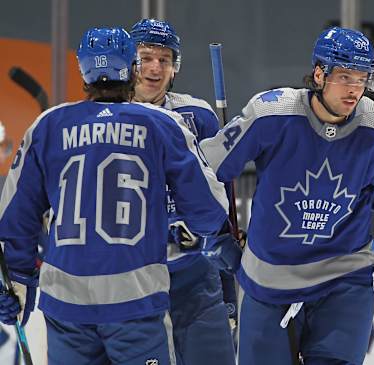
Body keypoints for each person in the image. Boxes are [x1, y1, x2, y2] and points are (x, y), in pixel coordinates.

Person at [200, 26, 374, 365]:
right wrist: (214, 234)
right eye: (344, 77)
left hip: (343, 281)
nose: (354, 90)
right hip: (267, 284)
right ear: (319, 74)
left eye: (362, 79)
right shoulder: (270, 115)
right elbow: (204, 174)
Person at [0, 27, 230, 365]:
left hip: (66, 303)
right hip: (134, 299)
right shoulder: (163, 123)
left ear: (83, 70)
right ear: (133, 68)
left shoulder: (47, 125)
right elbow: (210, 214)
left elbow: (15, 216)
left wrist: (16, 279)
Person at [130, 19, 237, 365]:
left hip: (194, 275)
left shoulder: (197, 115)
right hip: (132, 277)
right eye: (146, 57)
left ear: (175, 68)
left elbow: (219, 212)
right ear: (130, 62)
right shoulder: (109, 116)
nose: (155, 68)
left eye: (164, 59)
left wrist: (228, 289)